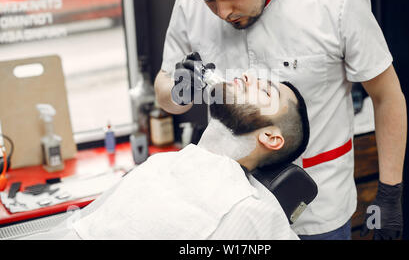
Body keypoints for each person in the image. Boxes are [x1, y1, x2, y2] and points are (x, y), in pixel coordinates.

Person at [154, 0, 407, 239]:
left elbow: (386, 95)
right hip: (229, 212)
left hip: (315, 211)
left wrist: (390, 192)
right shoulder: (188, 4)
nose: (222, 12)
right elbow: (164, 89)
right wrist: (179, 91)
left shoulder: (337, 1)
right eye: (208, 0)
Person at [23, 73, 310, 240]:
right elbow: (80, 228)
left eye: (265, 91)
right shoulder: (161, 163)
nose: (249, 77)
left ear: (271, 138)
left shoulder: (249, 210)